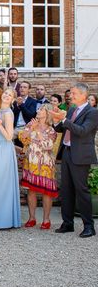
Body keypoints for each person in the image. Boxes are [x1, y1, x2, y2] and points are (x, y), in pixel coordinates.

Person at [51, 83, 98, 238]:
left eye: (74, 93)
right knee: (66, 190)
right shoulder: (71, 110)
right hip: (67, 152)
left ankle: (89, 227)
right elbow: (62, 129)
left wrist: (64, 120)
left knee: (82, 191)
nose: (71, 96)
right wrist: (57, 120)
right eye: (71, 93)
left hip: (81, 154)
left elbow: (83, 131)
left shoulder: (92, 112)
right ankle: (68, 223)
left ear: (84, 95)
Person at [19, 104, 58, 229]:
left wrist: (37, 131)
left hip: (46, 164)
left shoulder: (51, 130)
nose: (38, 111)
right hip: (31, 162)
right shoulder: (31, 124)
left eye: (41, 109)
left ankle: (46, 220)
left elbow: (48, 145)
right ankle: (32, 218)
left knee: (47, 193)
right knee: (31, 191)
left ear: (47, 113)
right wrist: (31, 129)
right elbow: (23, 138)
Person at [0, 88, 21, 229]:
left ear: (13, 99)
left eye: (10, 95)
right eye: (6, 93)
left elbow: (9, 136)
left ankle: (4, 219)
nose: (7, 96)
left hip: (4, 150)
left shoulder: (8, 114)